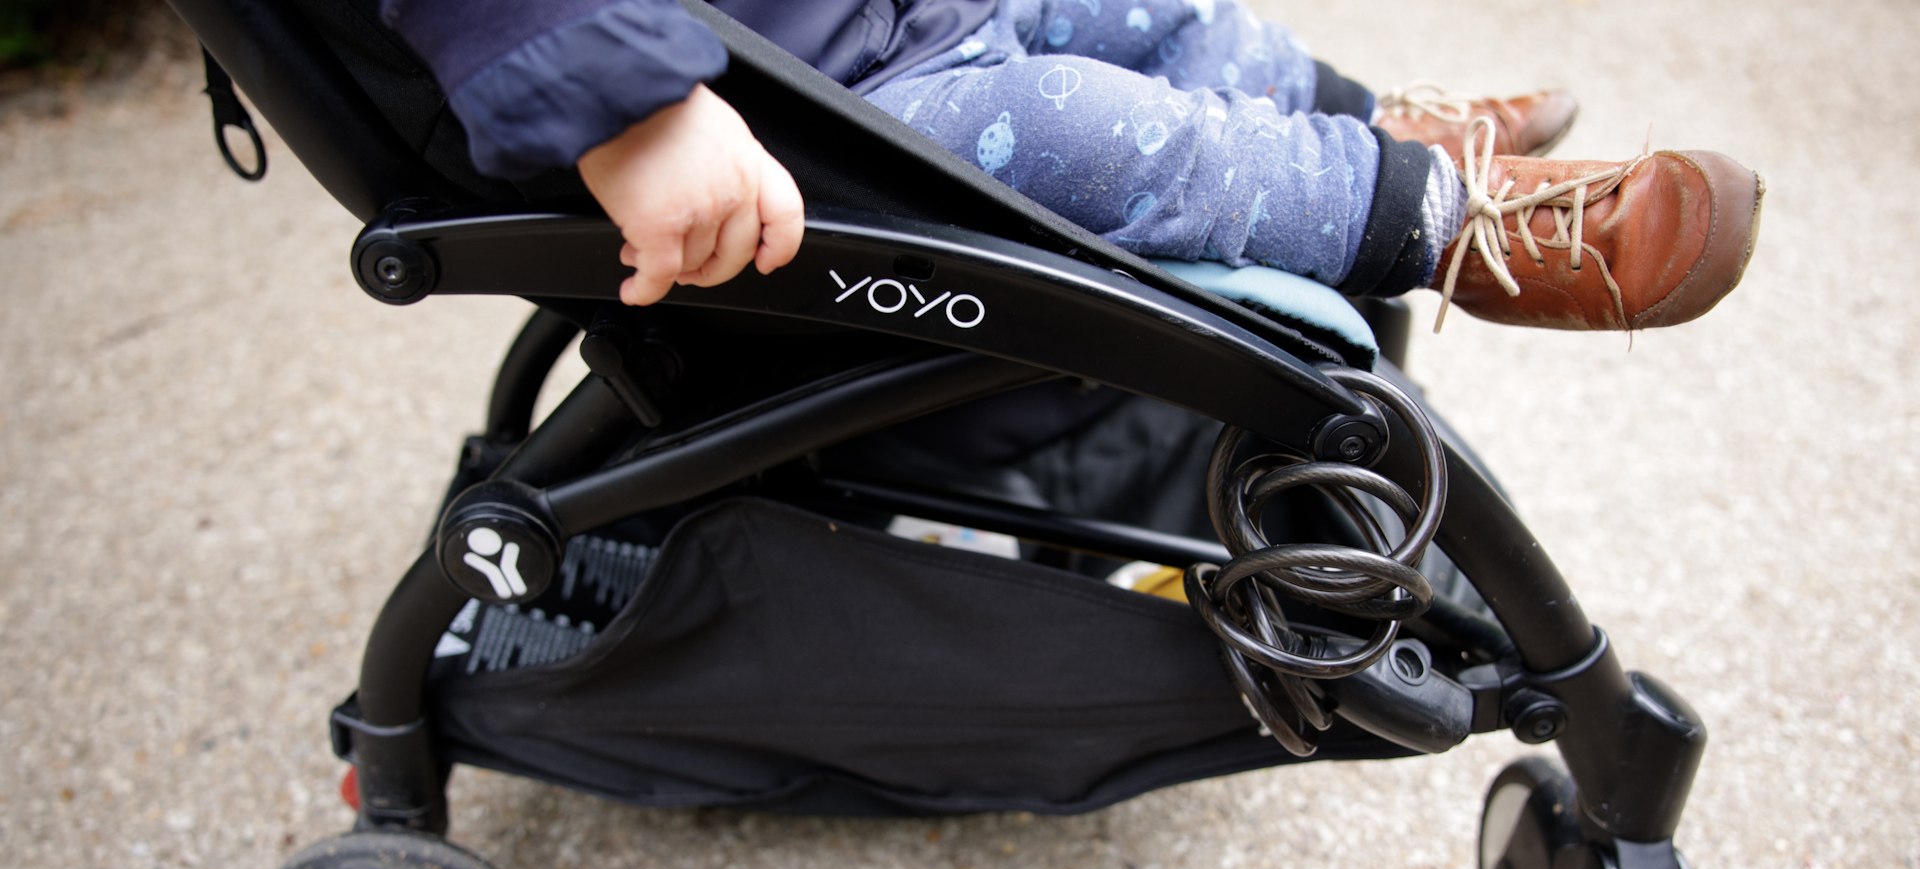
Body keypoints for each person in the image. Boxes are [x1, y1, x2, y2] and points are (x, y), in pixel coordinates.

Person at [379, 0, 1760, 332]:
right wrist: (626, 109)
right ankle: (1446, 224)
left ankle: (1382, 122)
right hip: (795, 117)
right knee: (1092, 134)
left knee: (1158, 10)